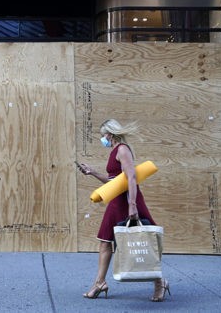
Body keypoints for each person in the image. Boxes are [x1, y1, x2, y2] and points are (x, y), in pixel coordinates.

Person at [77, 118, 170, 302]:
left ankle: (160, 282)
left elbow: (132, 178)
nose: (102, 139)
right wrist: (93, 172)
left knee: (144, 240)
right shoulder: (114, 151)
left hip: (128, 201)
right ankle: (99, 283)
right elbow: (114, 182)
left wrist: (132, 205)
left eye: (103, 135)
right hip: (116, 201)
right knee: (105, 241)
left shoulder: (122, 150)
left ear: (110, 134)